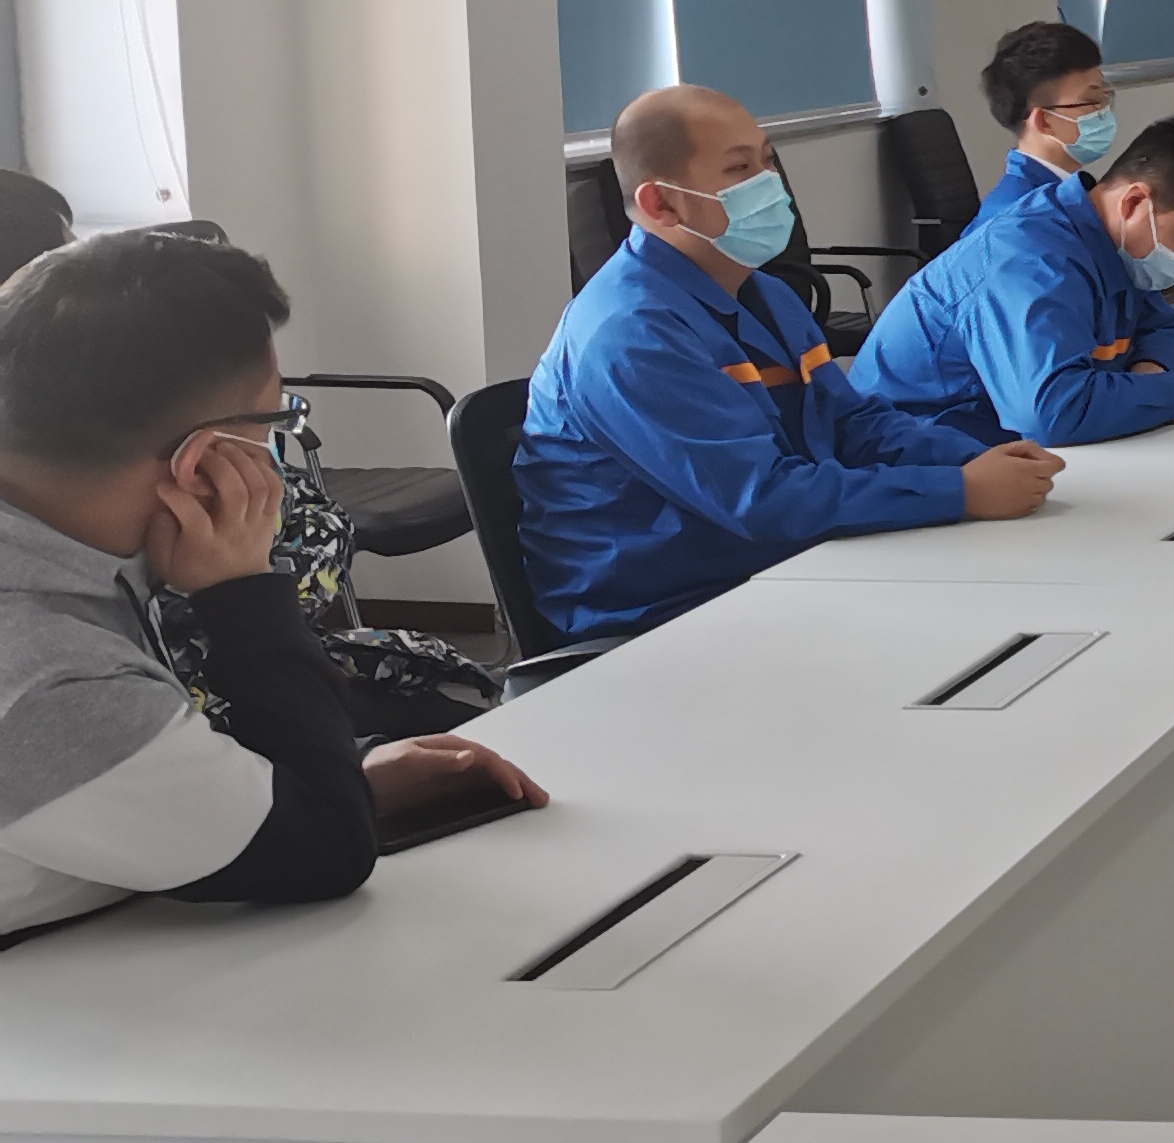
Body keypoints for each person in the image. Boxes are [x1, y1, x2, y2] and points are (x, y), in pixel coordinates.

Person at [0, 231, 545, 944]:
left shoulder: (65, 547)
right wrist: (242, 593)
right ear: (203, 462)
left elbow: (154, 758)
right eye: (276, 418)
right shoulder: (47, 673)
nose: (277, 444)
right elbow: (323, 851)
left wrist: (336, 773)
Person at [520, 86, 1064, 640]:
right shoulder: (630, 333)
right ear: (662, 204)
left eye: (768, 160)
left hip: (777, 564)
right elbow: (760, 499)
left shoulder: (765, 294)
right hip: (664, 612)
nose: (770, 183)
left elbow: (851, 423)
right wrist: (959, 490)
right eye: (740, 168)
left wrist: (975, 459)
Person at [853, 116, 1174, 447]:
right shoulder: (1030, 259)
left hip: (1008, 451)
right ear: (1134, 203)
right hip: (918, 458)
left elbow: (1171, 329)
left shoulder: (1113, 245)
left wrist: (1149, 377)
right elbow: (1052, 412)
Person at [976, 20, 1118, 225]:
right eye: (1092, 101)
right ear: (1044, 121)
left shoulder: (1065, 193)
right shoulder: (1022, 221)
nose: (1103, 110)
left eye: (1105, 97)